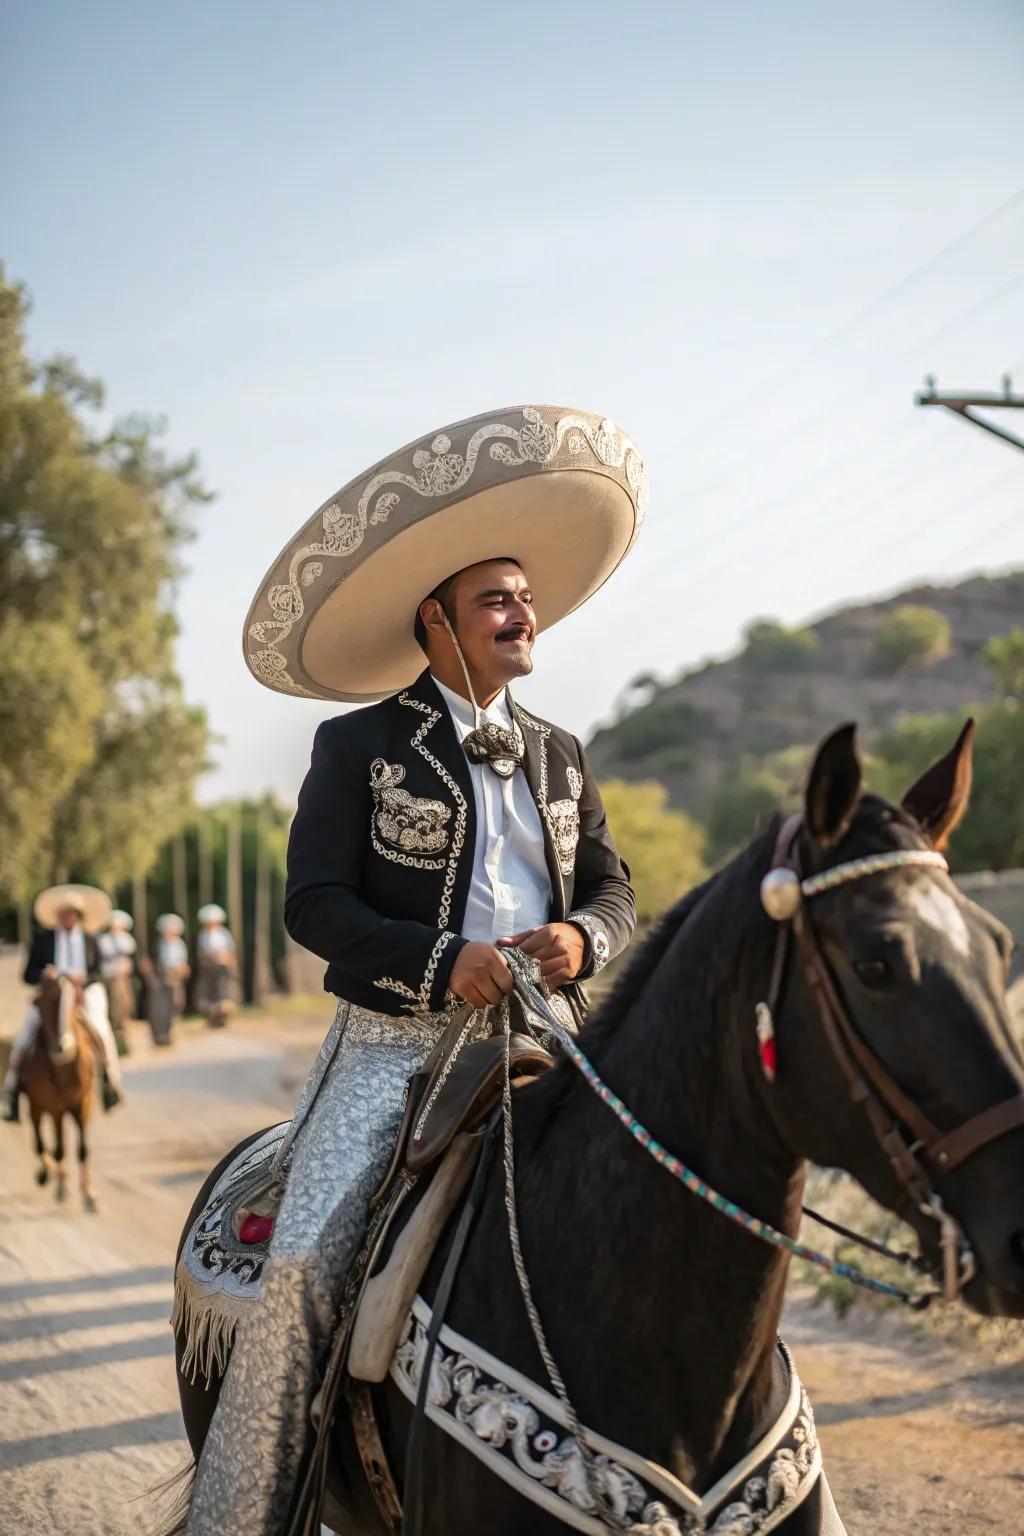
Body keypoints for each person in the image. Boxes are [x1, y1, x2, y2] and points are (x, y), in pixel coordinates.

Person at [186, 404, 647, 1534]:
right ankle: (249, 1513)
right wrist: (447, 963)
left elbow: (615, 892)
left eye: (525, 599)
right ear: (435, 620)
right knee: (301, 1271)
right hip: (392, 1056)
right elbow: (314, 907)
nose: (521, 613)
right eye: (496, 599)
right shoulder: (358, 746)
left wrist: (585, 940)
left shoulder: (561, 754)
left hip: (553, 1042)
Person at [3, 884, 124, 1122]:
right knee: (24, 1038)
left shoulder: (90, 941)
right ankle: (12, 1091)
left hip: (83, 996)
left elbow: (99, 972)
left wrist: (83, 980)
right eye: (63, 913)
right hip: (51, 998)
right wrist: (45, 975)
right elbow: (28, 975)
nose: (66, 918)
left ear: (78, 917)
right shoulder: (44, 941)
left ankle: (111, 1084)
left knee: (101, 1031)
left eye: (71, 914)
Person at [142, 913, 190, 1045]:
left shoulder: (179, 945)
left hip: (173, 979)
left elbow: (183, 965)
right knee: (157, 1009)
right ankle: (158, 1035)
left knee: (173, 1007)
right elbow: (147, 963)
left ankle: (168, 1035)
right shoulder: (156, 945)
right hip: (158, 980)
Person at [98, 908, 138, 1054]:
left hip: (122, 980)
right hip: (108, 979)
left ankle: (126, 1040)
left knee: (124, 1009)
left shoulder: (126, 940)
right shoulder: (104, 940)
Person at [194, 904, 238, 1027]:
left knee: (223, 992)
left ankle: (222, 1018)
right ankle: (211, 1018)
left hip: (223, 968)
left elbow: (231, 951)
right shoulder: (203, 936)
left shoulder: (224, 934)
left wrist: (226, 959)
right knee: (209, 993)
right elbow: (201, 953)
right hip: (209, 969)